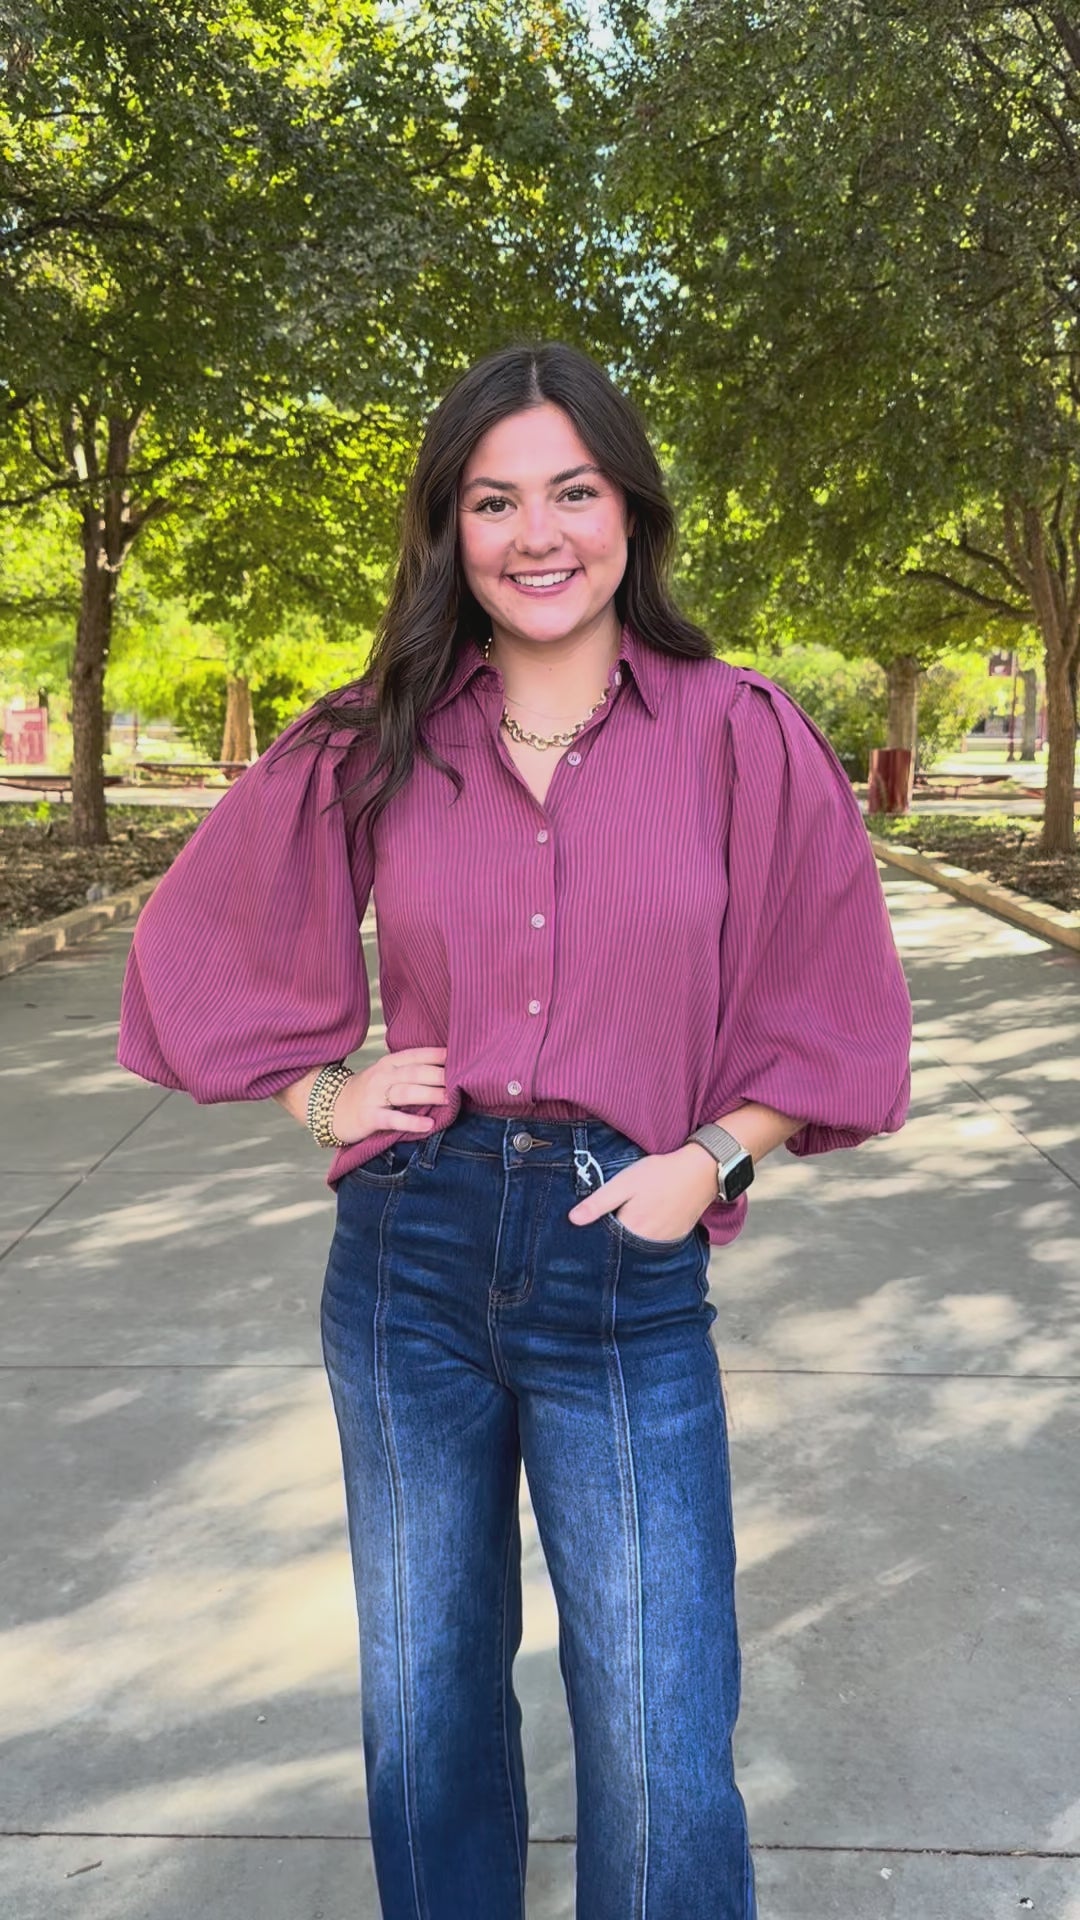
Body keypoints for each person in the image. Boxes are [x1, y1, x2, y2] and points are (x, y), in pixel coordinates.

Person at [117, 340, 913, 1920]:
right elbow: (197, 946)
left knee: (662, 1727)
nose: (537, 533)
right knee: (426, 1714)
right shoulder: (378, 732)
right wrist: (322, 1088)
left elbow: (832, 1009)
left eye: (573, 490)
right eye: (495, 499)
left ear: (630, 511)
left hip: (624, 1253)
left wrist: (714, 1158)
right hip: (408, 1249)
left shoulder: (739, 733)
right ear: (449, 529)